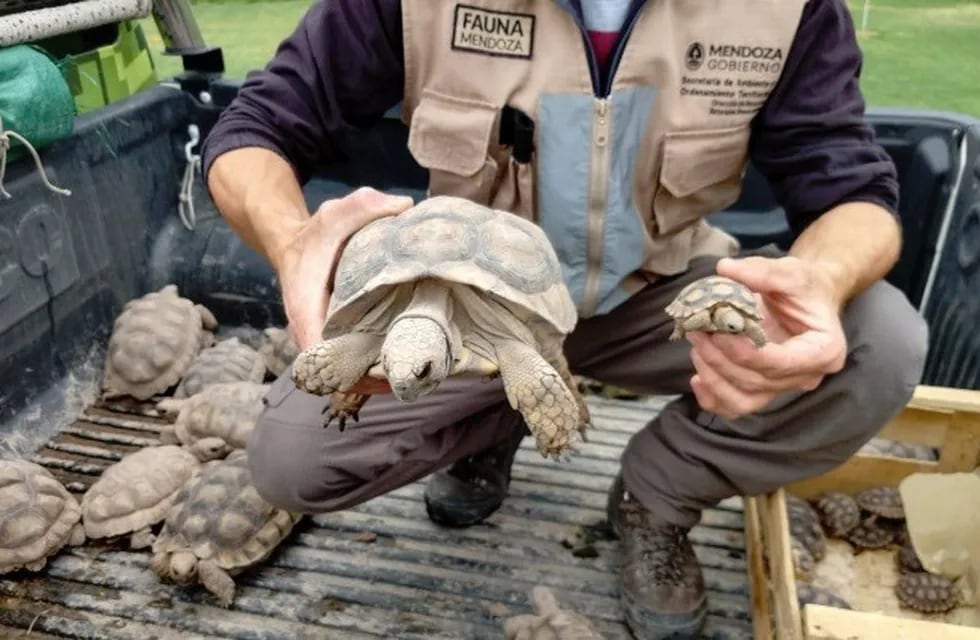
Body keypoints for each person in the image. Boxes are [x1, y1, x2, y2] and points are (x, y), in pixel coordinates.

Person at [201, 0, 929, 637]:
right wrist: (292, 239)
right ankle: (496, 420)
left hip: (659, 295)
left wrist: (823, 277)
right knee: (291, 456)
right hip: (470, 301)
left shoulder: (786, 8)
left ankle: (660, 492)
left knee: (881, 343)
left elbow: (853, 187)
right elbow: (257, 125)